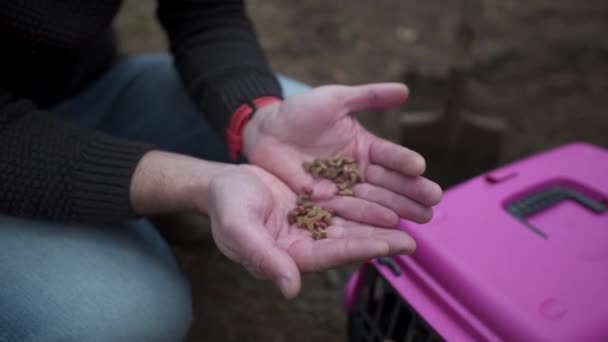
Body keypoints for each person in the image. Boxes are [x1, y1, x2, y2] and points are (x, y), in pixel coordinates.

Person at [0, 1, 442, 340]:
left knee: (296, 113)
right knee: (124, 317)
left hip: (89, 86)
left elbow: (205, 13)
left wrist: (257, 117)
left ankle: (130, 212)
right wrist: (194, 183)